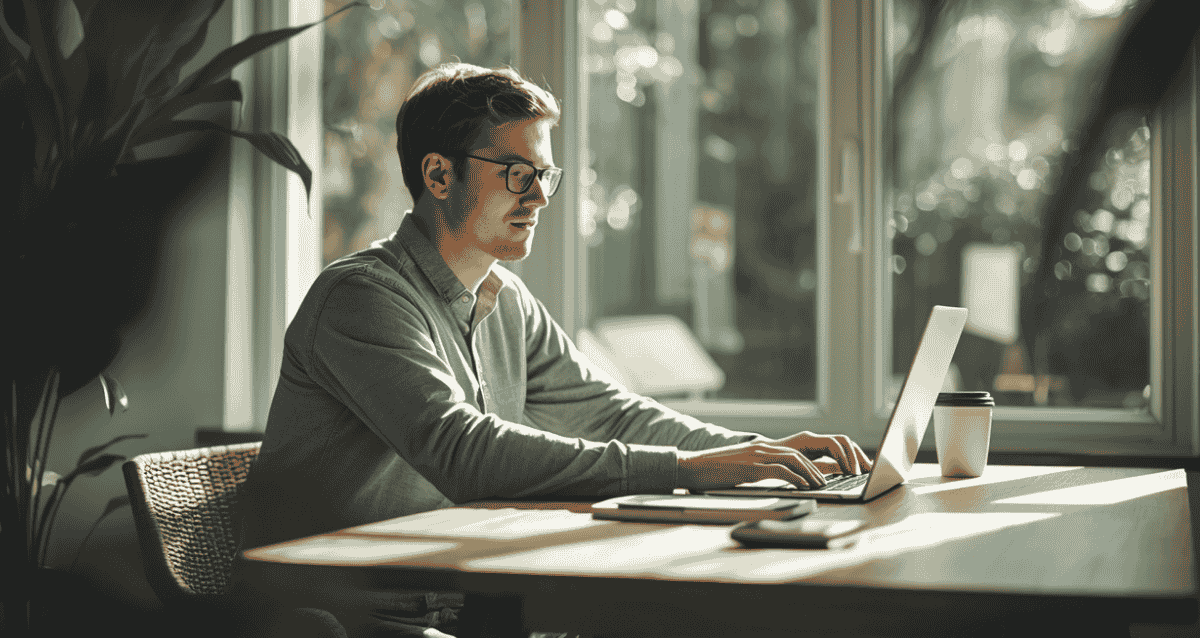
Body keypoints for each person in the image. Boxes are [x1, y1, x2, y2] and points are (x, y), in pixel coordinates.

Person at [234, 62, 872, 638]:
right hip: (338, 616)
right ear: (437, 173)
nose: (539, 198)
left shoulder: (505, 299)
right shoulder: (361, 297)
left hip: (447, 597)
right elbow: (464, 452)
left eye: (544, 175)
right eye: (518, 174)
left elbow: (611, 413)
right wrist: (690, 470)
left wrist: (751, 456)